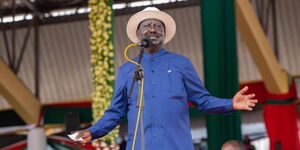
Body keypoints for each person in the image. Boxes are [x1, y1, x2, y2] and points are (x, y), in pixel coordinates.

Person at [74, 7, 257, 150]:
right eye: (147, 25)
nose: (153, 29)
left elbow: (203, 100)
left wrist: (230, 104)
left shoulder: (181, 64)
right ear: (138, 34)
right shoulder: (127, 69)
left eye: (158, 26)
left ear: (164, 35)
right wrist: (92, 132)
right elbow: (115, 112)